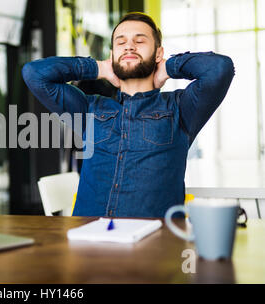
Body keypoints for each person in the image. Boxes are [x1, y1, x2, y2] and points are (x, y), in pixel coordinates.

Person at [21, 12, 235, 218]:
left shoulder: (181, 108)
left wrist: (169, 67)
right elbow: (34, 74)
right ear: (112, 54)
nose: (129, 46)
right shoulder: (89, 109)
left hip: (153, 243)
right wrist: (98, 68)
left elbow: (220, 68)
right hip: (88, 240)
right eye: (120, 42)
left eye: (139, 41)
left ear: (158, 53)